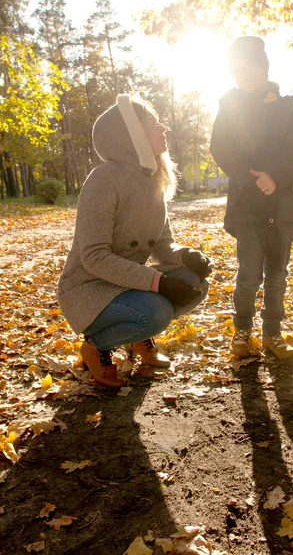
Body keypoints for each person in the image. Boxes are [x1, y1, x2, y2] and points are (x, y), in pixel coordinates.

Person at [58, 94, 212, 388]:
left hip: (127, 283)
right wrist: (158, 282)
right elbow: (94, 257)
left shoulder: (153, 182)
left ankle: (138, 340)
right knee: (155, 313)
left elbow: (163, 243)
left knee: (196, 284)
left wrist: (186, 256)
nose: (163, 127)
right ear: (131, 135)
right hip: (88, 288)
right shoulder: (103, 180)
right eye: (153, 122)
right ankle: (97, 345)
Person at [210, 36, 293, 360]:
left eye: (248, 66)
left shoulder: (288, 106)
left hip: (283, 204)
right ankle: (242, 331)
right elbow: (220, 147)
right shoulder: (229, 104)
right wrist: (248, 178)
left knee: (277, 275)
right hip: (247, 203)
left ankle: (273, 335)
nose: (243, 74)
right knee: (249, 275)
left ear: (263, 67)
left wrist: (275, 177)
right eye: (236, 69)